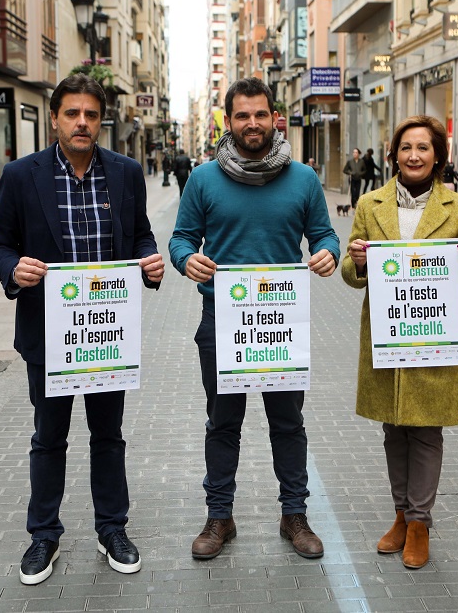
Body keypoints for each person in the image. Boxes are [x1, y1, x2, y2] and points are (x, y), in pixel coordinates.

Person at [0, 74, 165, 586]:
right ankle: (44, 535)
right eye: (72, 113)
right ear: (55, 118)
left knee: (108, 436)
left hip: (107, 334)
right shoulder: (23, 176)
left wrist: (148, 263)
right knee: (49, 438)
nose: (82, 122)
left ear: (101, 119)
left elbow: (140, 234)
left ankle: (113, 529)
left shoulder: (126, 173)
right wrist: (12, 270)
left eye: (90, 114)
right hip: (48, 336)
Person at [169, 77, 340, 561]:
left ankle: (294, 515)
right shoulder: (203, 179)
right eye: (242, 115)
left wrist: (327, 253)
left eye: (260, 114)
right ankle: (219, 516)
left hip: (282, 323)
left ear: (274, 118)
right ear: (228, 121)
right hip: (220, 321)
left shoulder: (303, 180)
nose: (251, 124)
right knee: (223, 423)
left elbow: (325, 236)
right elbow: (181, 238)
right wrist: (188, 260)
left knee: (288, 423)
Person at [341, 115, 458, 569]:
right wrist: (358, 261)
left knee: (426, 431)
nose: (414, 155)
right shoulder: (370, 204)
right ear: (394, 155)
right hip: (386, 335)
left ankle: (420, 523)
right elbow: (350, 276)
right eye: (406, 147)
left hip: (432, 335)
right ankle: (401, 516)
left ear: (438, 155)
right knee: (393, 428)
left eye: (423, 148)